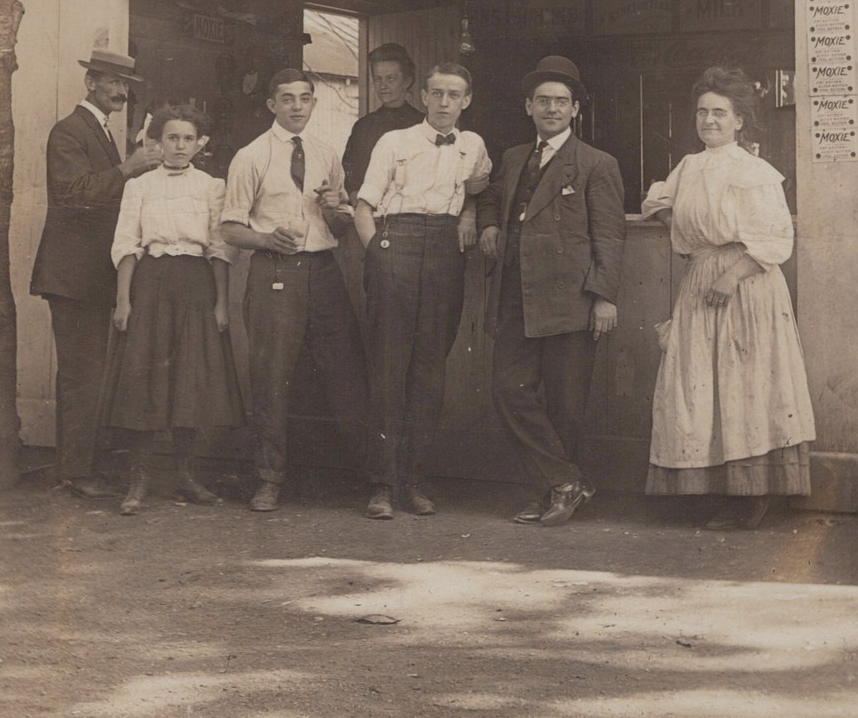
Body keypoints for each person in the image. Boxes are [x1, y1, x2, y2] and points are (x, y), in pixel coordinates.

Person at [641, 66, 814, 529]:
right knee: (701, 382)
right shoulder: (689, 166)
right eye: (702, 112)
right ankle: (710, 489)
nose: (709, 121)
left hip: (747, 285)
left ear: (740, 120)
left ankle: (753, 494)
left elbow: (776, 238)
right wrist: (692, 239)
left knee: (746, 382)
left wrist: (730, 272)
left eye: (720, 113)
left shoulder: (754, 171)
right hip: (702, 279)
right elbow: (657, 203)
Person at [477, 56, 626, 526]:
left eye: (562, 101)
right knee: (507, 390)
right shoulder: (515, 157)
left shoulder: (597, 164)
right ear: (528, 106)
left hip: (571, 299)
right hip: (516, 296)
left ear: (575, 110)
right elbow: (491, 196)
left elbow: (609, 235)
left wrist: (604, 296)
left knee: (566, 404)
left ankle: (554, 494)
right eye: (543, 100)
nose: (552, 109)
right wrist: (483, 225)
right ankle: (564, 482)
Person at [221, 69, 368, 513]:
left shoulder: (325, 154)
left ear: (313, 103)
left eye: (305, 98)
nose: (297, 106)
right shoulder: (250, 156)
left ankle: (369, 476)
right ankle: (268, 479)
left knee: (346, 372)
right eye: (287, 99)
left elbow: (341, 225)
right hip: (273, 271)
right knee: (271, 377)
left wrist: (335, 209)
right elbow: (229, 227)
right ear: (272, 105)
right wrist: (265, 239)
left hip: (323, 270)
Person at [354, 63, 492, 519]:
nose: (444, 102)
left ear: (466, 100)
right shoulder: (393, 141)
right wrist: (378, 253)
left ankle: (413, 483)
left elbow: (479, 188)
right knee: (389, 366)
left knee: (430, 371)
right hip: (396, 241)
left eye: (454, 94)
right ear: (425, 96)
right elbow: (363, 206)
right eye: (437, 93)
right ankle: (380, 485)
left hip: (444, 252)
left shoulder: (473, 145)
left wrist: (469, 215)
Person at [98, 105, 246, 515]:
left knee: (190, 380)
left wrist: (220, 302)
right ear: (158, 142)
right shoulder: (140, 187)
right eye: (171, 138)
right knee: (145, 380)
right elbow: (127, 242)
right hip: (151, 283)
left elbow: (219, 247)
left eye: (187, 139)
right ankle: (139, 479)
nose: (179, 146)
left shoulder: (212, 186)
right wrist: (124, 300)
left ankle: (185, 475)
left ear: (201, 144)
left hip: (196, 285)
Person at [30, 47, 161, 497]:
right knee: (81, 372)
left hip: (89, 274)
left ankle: (77, 466)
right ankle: (76, 472)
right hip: (72, 276)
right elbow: (72, 194)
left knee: (84, 372)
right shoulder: (68, 131)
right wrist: (127, 168)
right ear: (90, 84)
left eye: (125, 85)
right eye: (112, 82)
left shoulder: (101, 131)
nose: (121, 91)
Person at [342, 43, 423, 199]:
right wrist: (354, 196)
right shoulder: (363, 126)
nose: (383, 86)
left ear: (407, 81)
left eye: (391, 79)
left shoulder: (423, 125)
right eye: (378, 79)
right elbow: (348, 171)